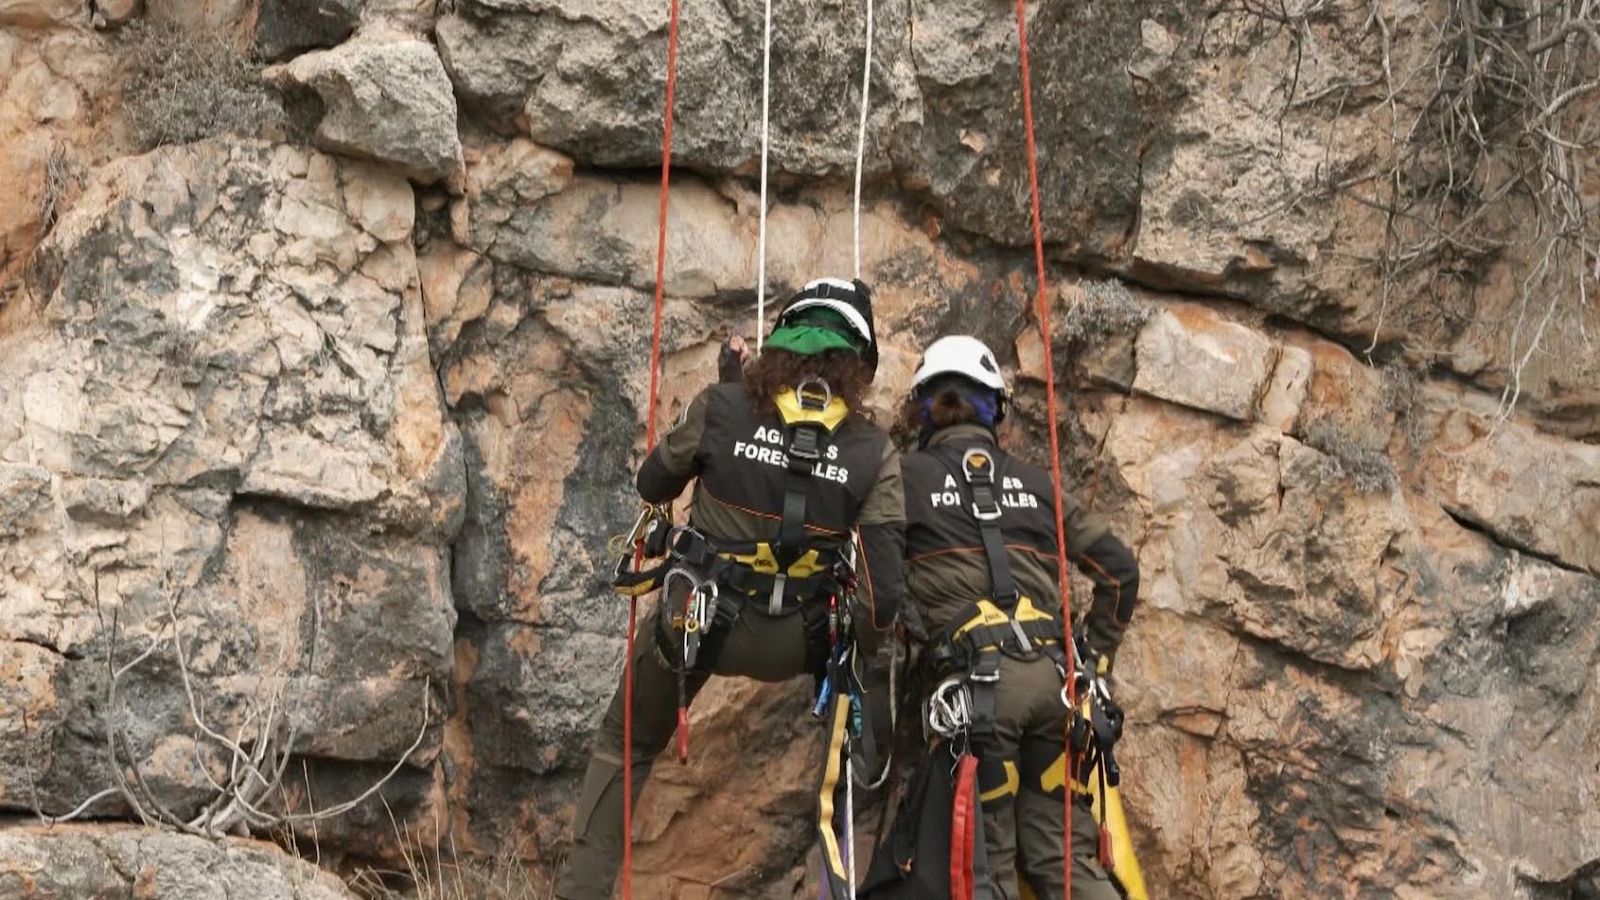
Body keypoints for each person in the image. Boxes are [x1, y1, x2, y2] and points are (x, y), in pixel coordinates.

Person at [554, 278, 907, 900]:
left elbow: (652, 484)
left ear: (777, 347)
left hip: (698, 624)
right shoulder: (875, 452)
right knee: (856, 744)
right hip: (803, 638)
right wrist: (854, 654)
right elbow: (882, 604)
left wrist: (724, 391)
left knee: (624, 744)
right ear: (857, 366)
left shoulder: (722, 407)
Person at [896, 335, 1140, 900]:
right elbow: (1120, 571)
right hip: (1055, 691)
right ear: (996, 410)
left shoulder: (903, 479)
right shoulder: (1037, 484)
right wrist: (1094, 667)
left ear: (922, 409)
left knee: (989, 865)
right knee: (1063, 853)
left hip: (980, 697)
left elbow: (871, 574)